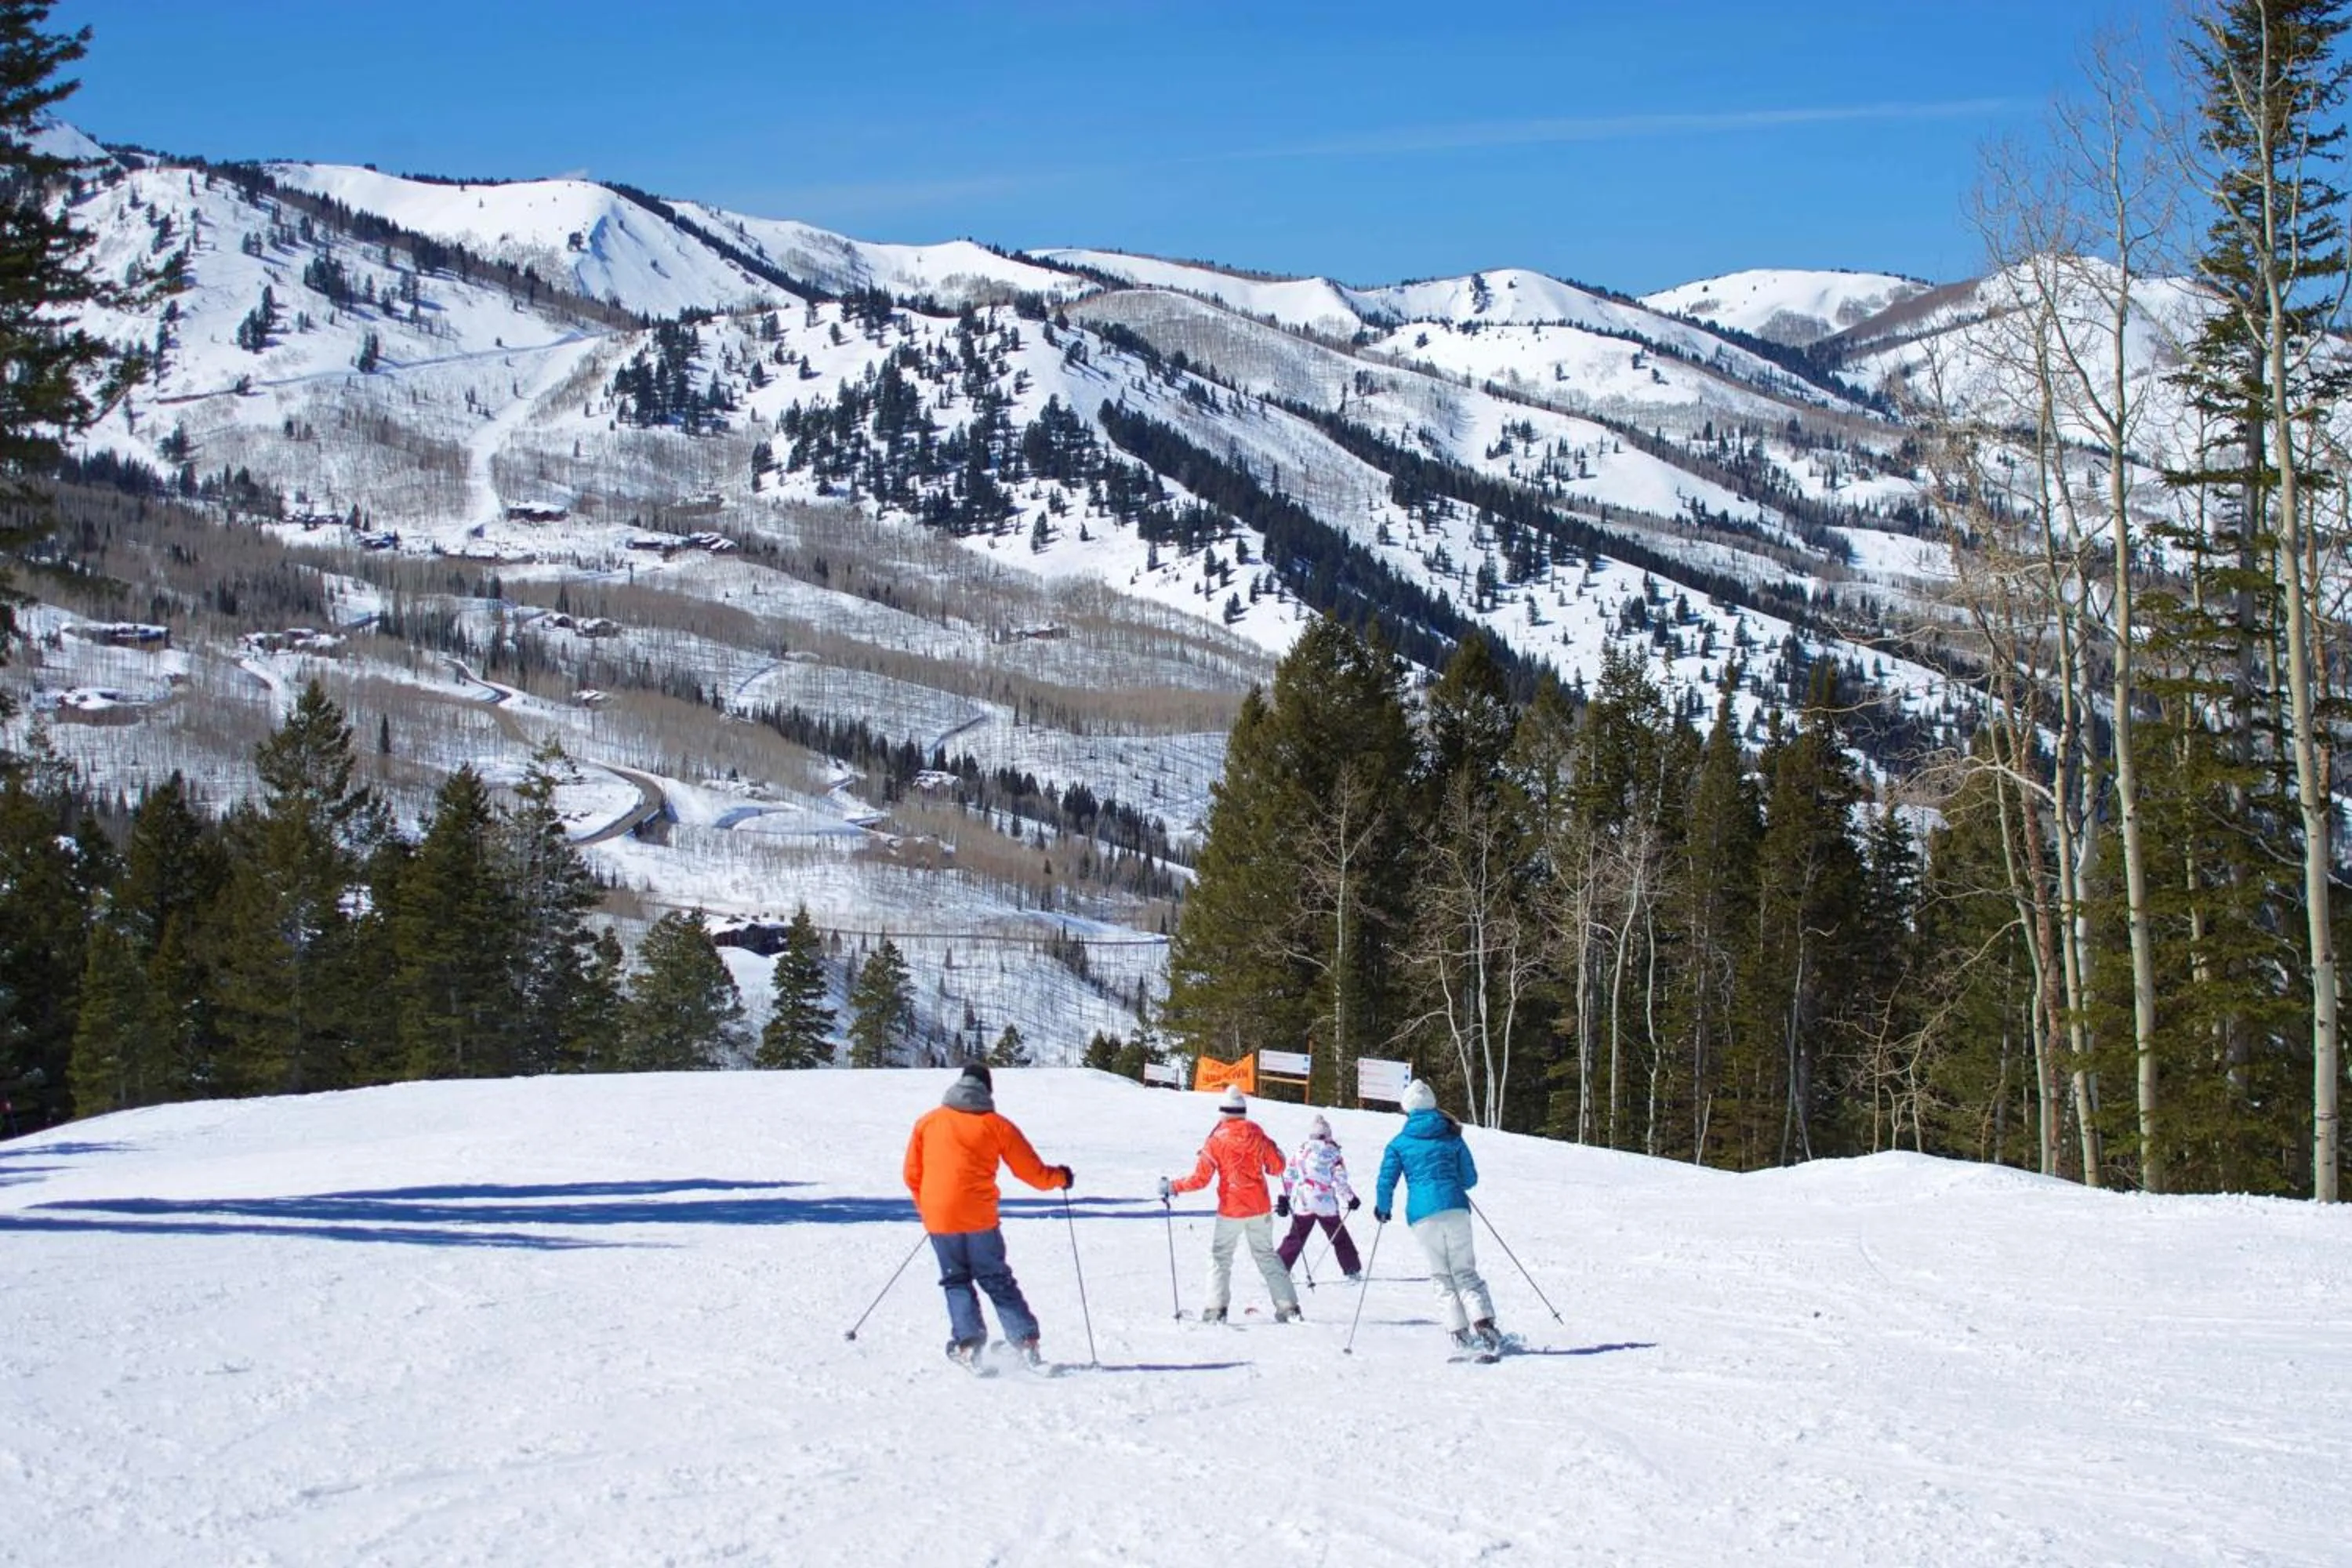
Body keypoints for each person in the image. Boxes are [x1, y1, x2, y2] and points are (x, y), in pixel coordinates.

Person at [903, 1062, 1073, 1370]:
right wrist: (1060, 1177)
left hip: (940, 1216)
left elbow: (912, 1175)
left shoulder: (928, 1122)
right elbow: (1031, 1173)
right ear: (987, 1091)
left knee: (956, 1279)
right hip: (980, 1217)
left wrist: (928, 1208)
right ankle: (1024, 1342)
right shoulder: (997, 1125)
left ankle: (968, 1345)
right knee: (995, 1277)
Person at [1373, 1079, 1501, 1354]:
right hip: (1455, 1208)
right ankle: (1483, 1322)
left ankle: (1459, 1332)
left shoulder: (1399, 1143)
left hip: (1421, 1216)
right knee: (1464, 1269)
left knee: (1441, 1274)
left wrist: (1383, 1208)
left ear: (1406, 1109)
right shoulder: (1452, 1135)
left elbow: (1386, 1181)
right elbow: (1470, 1178)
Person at [1160, 1087, 1302, 1323]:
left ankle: (1216, 1309)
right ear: (1243, 1111)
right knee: (1266, 1255)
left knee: (1220, 1256)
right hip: (1259, 1207)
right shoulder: (1257, 1133)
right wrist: (1279, 1153)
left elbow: (1200, 1179)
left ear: (1223, 1112)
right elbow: (1277, 1168)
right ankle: (1288, 1307)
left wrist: (1173, 1186)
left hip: (1231, 1209)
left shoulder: (1216, 1140)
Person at [1277, 1114, 1363, 1282]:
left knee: (1296, 1237)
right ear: (1328, 1136)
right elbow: (1340, 1180)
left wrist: (1283, 1198)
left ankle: (1279, 1270)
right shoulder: (1334, 1154)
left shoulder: (1301, 1152)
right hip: (1326, 1203)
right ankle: (1352, 1269)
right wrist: (1350, 1198)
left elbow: (1289, 1175)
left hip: (1305, 1201)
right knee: (1339, 1236)